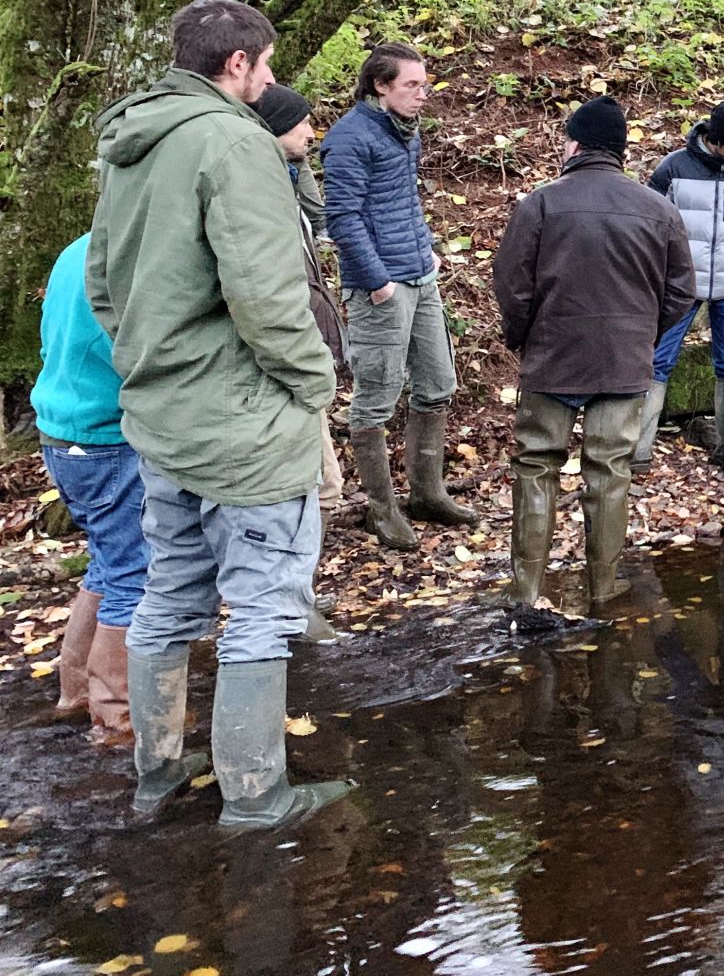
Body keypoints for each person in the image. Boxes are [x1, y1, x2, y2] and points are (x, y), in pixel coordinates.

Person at [88, 0, 347, 828]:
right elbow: (269, 299)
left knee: (169, 592)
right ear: (236, 64)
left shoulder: (130, 143)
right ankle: (256, 794)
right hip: (244, 420)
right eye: (265, 65)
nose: (270, 81)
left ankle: (157, 773)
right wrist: (315, 384)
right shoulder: (234, 142)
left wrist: (147, 361)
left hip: (160, 413)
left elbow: (102, 281)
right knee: (265, 603)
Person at [492, 96, 695, 614]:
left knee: (537, 465)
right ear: (621, 150)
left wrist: (524, 337)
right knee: (610, 472)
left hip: (554, 358)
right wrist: (642, 337)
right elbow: (681, 293)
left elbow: (512, 284)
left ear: (575, 144)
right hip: (625, 363)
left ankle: (524, 592)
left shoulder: (540, 203)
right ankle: (603, 590)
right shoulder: (659, 209)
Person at [320, 41, 474, 550]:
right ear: (381, 85)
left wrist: (427, 250)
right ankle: (381, 510)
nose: (422, 94)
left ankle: (428, 494)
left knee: (437, 381)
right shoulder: (349, 138)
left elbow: (405, 199)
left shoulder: (405, 132)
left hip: (419, 275)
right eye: (412, 85)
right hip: (380, 287)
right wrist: (377, 280)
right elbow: (342, 218)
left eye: (424, 84)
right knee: (377, 396)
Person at [30, 234, 147, 744]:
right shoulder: (122, 256)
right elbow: (131, 353)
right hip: (104, 436)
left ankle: (74, 691)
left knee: (107, 563)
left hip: (61, 431)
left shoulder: (77, 248)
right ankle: (116, 718)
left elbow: (48, 339)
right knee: (132, 574)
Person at [635, 100, 724, 476]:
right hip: (684, 287)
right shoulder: (674, 168)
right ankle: (640, 449)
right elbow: (650, 224)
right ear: (716, 141)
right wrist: (669, 271)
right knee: (660, 360)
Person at [252, 84, 345, 518]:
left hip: (303, 342)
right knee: (323, 483)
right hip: (287, 352)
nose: (312, 133)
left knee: (323, 479)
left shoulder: (288, 181)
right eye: (302, 123)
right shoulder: (260, 198)